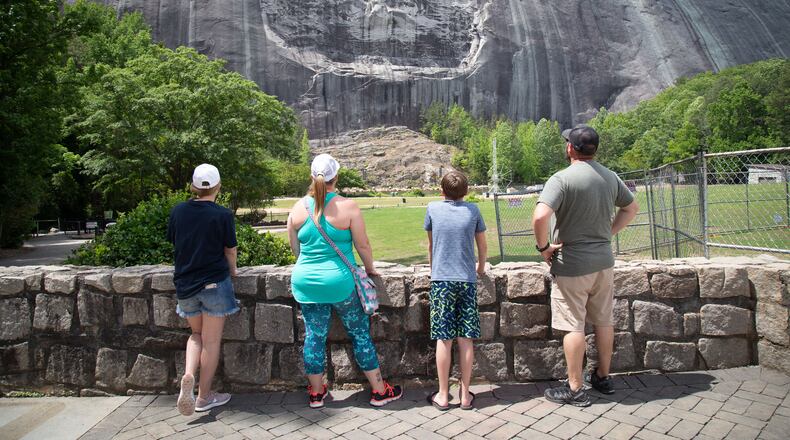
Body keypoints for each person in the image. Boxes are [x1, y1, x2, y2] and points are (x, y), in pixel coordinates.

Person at [532, 125, 639, 407]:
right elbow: (631, 208)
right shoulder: (610, 176)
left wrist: (544, 249)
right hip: (603, 262)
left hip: (572, 265)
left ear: (571, 148)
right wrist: (608, 233)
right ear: (595, 150)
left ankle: (576, 388)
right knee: (604, 321)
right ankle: (603, 377)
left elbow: (540, 217)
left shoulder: (561, 179)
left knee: (573, 326)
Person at [287, 153, 403, 409]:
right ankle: (379, 390)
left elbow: (295, 249)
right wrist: (370, 269)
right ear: (335, 177)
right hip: (341, 284)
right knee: (360, 333)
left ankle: (316, 393)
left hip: (307, 282)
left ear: (311, 177)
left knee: (314, 337)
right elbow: (362, 245)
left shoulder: (297, 208)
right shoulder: (347, 207)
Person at [168, 163, 239, 415]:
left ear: (193, 187)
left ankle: (188, 374)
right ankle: (203, 396)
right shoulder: (222, 215)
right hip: (214, 283)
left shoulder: (178, 212)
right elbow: (229, 249)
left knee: (195, 335)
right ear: (218, 186)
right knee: (211, 341)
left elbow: (176, 243)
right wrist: (233, 270)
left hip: (185, 284)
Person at [423, 171, 487, 411]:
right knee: (466, 339)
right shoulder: (473, 210)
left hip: (441, 281)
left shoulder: (432, 208)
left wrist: (433, 268)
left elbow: (432, 244)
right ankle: (465, 395)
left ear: (442, 191)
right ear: (466, 191)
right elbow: (482, 244)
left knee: (444, 339)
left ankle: (442, 394)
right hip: (467, 281)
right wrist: (480, 267)